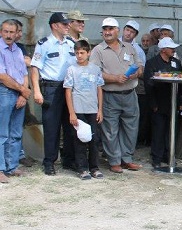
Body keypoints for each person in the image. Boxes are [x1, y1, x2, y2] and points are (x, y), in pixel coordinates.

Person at [90, 17, 144, 173]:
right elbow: (95, 72)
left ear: (117, 31)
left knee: (131, 128)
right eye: (105, 29)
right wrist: (115, 78)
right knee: (110, 130)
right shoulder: (98, 50)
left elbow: (139, 66)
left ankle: (127, 159)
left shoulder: (129, 47)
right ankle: (114, 161)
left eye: (111, 29)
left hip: (130, 94)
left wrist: (136, 74)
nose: (107, 32)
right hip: (110, 95)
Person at [30, 11, 77, 175]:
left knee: (71, 125)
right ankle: (49, 162)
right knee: (52, 127)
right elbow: (35, 68)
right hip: (51, 88)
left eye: (68, 23)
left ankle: (69, 160)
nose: (68, 26)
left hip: (69, 88)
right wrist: (36, 91)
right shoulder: (44, 44)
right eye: (65, 24)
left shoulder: (71, 43)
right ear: (54, 25)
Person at [144, 37, 182, 169]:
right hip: (159, 102)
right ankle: (156, 158)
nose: (173, 50)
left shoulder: (176, 62)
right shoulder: (152, 63)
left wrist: (181, 101)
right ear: (163, 49)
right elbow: (148, 84)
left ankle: (169, 156)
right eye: (171, 48)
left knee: (172, 131)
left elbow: (181, 83)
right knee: (158, 130)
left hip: (173, 102)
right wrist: (153, 104)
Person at [63, 40, 104, 180]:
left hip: (92, 109)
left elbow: (99, 90)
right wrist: (72, 112)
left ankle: (94, 167)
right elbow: (68, 92)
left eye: (82, 53)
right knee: (79, 139)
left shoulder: (95, 69)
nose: (79, 56)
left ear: (88, 53)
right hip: (78, 109)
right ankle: (82, 168)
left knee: (94, 139)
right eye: (77, 53)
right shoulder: (72, 70)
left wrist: (100, 109)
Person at [0, 20, 31, 183]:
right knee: (2, 133)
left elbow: (24, 73)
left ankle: (12, 167)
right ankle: (0, 169)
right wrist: (23, 90)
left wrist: (23, 94)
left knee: (16, 133)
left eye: (12, 32)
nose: (9, 35)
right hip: (4, 92)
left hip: (19, 93)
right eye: (6, 31)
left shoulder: (18, 50)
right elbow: (2, 77)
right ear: (1, 32)